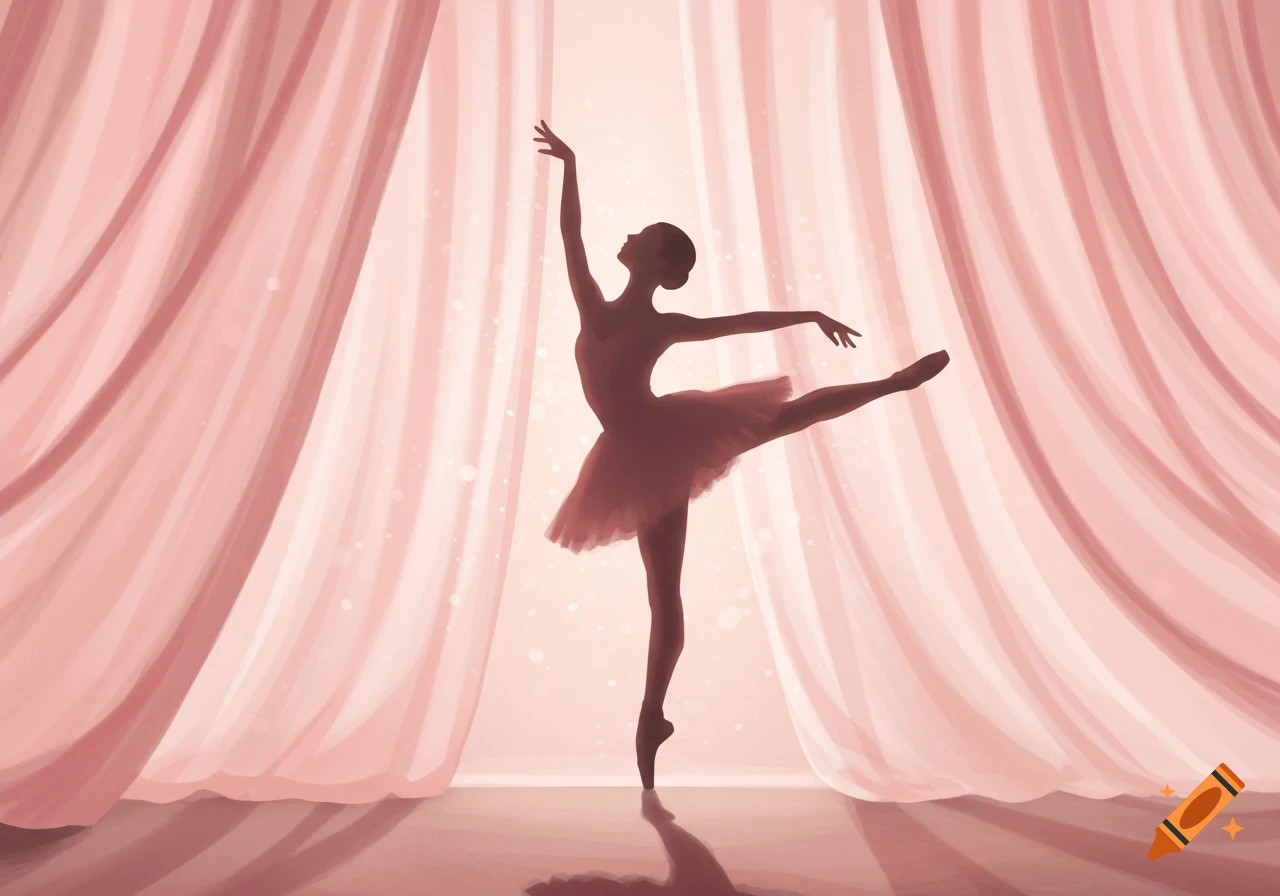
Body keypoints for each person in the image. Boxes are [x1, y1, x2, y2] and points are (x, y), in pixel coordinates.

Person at [534, 121, 949, 790]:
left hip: (653, 439)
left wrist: (806, 315)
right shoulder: (613, 310)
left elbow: (735, 321)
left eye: (646, 236)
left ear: (657, 267)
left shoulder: (629, 317)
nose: (633, 235)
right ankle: (652, 715)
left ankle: (651, 713)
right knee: (666, 590)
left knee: (675, 579)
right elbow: (571, 238)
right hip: (641, 445)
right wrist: (572, 166)